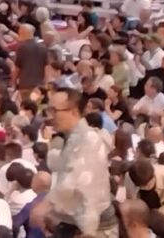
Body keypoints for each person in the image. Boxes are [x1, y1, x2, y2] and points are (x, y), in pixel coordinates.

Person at [46, 87, 117, 238]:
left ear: (73, 112)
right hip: (74, 222)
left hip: (94, 227)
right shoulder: (71, 137)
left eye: (54, 111)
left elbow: (75, 182)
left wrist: (46, 205)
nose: (50, 116)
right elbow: (62, 166)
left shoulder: (88, 138)